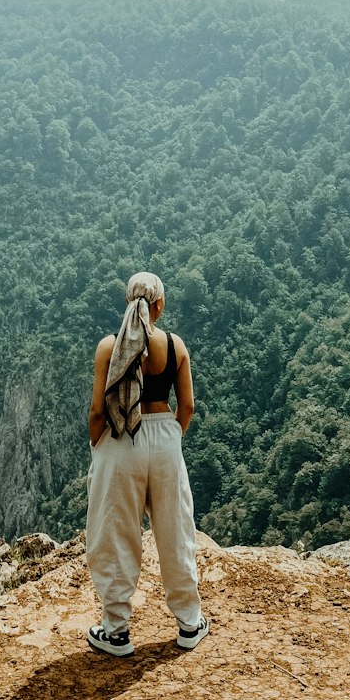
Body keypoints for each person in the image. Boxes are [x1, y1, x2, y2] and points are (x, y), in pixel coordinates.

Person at [85, 271, 209, 657]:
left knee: (117, 533)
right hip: (164, 437)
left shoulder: (109, 347)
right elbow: (187, 406)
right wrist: (172, 438)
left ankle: (116, 631)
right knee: (175, 529)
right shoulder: (175, 345)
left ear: (128, 302)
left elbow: (95, 411)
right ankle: (189, 622)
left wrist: (99, 447)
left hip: (122, 439)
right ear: (161, 305)